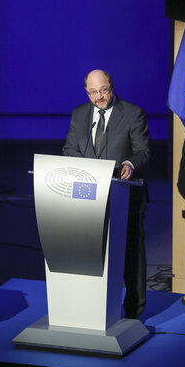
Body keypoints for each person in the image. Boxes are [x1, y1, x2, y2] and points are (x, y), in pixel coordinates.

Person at [62, 69, 151, 318]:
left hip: (125, 195)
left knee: (130, 252)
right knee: (92, 252)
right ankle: (95, 308)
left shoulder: (133, 113)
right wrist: (84, 169)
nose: (99, 96)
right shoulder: (80, 114)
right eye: (93, 92)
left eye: (103, 90)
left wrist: (129, 165)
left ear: (111, 86)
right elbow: (69, 150)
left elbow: (143, 151)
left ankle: (134, 311)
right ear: (86, 92)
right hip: (89, 195)